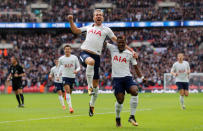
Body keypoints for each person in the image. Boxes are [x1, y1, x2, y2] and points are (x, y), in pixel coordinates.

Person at [67, 9, 138, 117]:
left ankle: (91, 104)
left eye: (100, 15)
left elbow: (116, 41)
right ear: (93, 17)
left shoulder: (106, 30)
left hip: (97, 56)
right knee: (90, 62)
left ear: (103, 18)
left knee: (96, 88)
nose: (98, 16)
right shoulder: (88, 27)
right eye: (97, 15)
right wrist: (71, 20)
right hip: (85, 53)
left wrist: (131, 50)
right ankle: (89, 87)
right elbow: (76, 31)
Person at [105, 36, 146, 127]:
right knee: (120, 100)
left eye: (123, 43)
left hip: (127, 78)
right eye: (119, 42)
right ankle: (118, 118)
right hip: (117, 79)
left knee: (135, 91)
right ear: (117, 43)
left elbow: (136, 67)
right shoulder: (112, 48)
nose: (121, 44)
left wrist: (142, 77)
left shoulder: (129, 54)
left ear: (125, 43)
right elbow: (103, 42)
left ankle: (132, 116)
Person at [58, 44, 80, 113]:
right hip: (65, 77)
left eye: (68, 49)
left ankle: (66, 96)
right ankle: (70, 108)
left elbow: (79, 67)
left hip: (72, 77)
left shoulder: (74, 57)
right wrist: (58, 76)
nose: (67, 50)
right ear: (64, 50)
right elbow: (59, 68)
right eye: (66, 49)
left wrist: (77, 70)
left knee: (69, 92)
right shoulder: (61, 59)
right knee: (67, 91)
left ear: (70, 50)